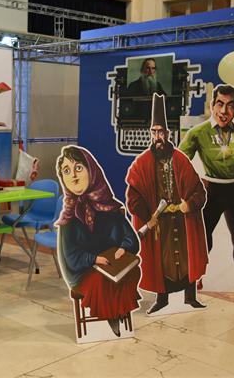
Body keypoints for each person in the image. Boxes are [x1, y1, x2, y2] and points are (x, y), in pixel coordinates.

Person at [126, 94, 208, 314]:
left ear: (168, 133)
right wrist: (148, 216)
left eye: (161, 131)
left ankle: (191, 297)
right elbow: (133, 197)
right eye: (154, 132)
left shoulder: (181, 160)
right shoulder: (141, 163)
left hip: (182, 219)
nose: (157, 136)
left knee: (187, 258)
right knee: (161, 261)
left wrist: (189, 205)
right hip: (159, 224)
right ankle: (161, 300)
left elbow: (199, 191)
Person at [179, 84, 234, 291]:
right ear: (212, 105)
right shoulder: (198, 132)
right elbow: (180, 161)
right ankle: (197, 277)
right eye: (220, 104)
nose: (224, 111)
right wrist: (196, 181)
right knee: (204, 236)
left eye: (230, 105)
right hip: (211, 191)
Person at [55, 145, 141, 338]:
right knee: (101, 281)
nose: (73, 176)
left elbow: (131, 239)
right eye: (66, 171)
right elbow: (71, 258)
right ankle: (112, 318)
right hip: (83, 272)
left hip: (113, 266)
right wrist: (94, 259)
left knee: (132, 271)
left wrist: (123, 248)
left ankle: (117, 314)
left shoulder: (109, 207)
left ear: (91, 170)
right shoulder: (69, 217)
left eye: (78, 168)